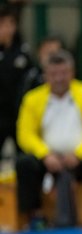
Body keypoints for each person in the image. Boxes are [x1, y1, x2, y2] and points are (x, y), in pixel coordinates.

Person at [16, 49, 82, 229]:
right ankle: (33, 216)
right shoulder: (32, 99)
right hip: (47, 160)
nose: (59, 78)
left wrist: (79, 153)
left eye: (63, 73)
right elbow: (25, 134)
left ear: (72, 73)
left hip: (79, 158)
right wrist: (45, 154)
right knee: (24, 163)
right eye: (53, 74)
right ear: (45, 75)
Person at [0, 4, 32, 161]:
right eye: (3, 24)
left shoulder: (22, 51)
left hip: (18, 114)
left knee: (23, 157)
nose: (7, 29)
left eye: (10, 24)